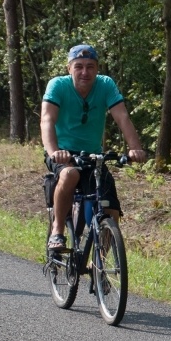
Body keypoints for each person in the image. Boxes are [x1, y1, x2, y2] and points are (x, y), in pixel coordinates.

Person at [41, 44, 147, 251]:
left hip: (93, 154)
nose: (84, 72)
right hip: (62, 153)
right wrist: (54, 151)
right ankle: (57, 231)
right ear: (69, 68)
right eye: (79, 66)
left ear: (97, 69)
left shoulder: (105, 84)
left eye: (90, 66)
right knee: (70, 174)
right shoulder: (58, 86)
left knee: (111, 210)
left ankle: (101, 266)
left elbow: (122, 116)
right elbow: (47, 120)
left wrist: (135, 148)